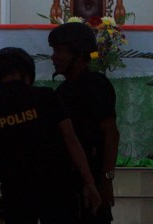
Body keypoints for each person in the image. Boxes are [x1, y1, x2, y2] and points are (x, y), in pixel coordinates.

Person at [0, 47, 101, 224]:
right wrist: (89, 182)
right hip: (57, 190)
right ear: (26, 73)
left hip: (16, 194)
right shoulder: (46, 96)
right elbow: (71, 140)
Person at [48, 22, 120, 223]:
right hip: (67, 183)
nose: (54, 58)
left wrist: (106, 181)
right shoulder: (62, 90)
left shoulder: (96, 85)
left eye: (60, 51)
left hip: (92, 181)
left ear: (79, 56)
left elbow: (111, 133)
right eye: (54, 51)